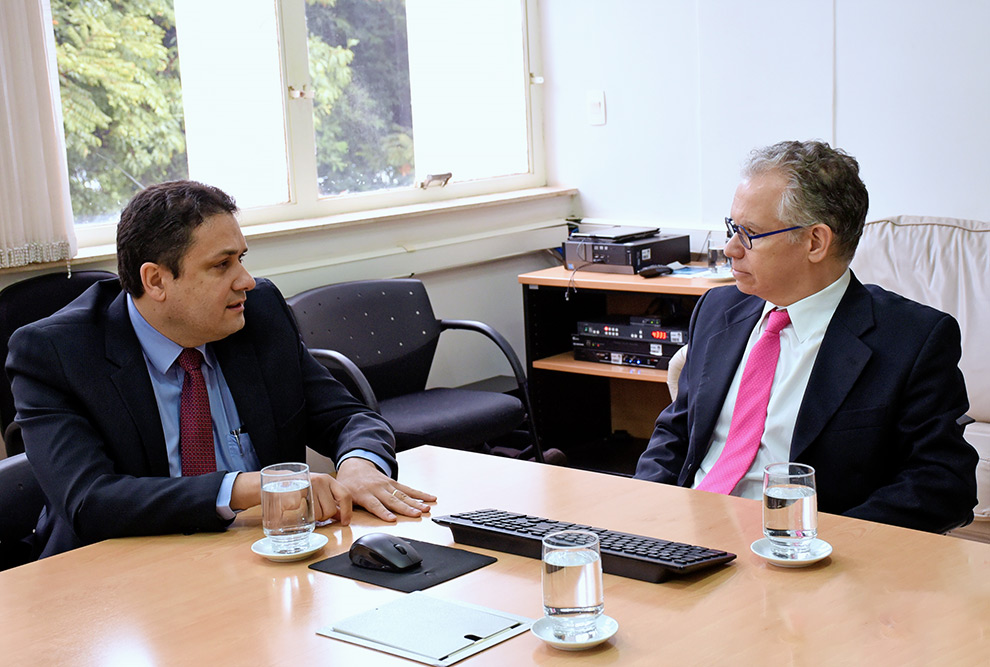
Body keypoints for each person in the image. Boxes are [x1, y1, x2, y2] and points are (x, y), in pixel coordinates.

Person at [7, 180, 436, 558]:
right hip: (119, 576)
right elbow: (89, 501)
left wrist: (359, 464)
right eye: (222, 265)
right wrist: (253, 488)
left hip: (262, 556)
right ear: (155, 281)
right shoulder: (55, 353)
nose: (246, 280)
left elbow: (348, 416)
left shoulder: (259, 313)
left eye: (242, 259)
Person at [634, 140, 978, 533]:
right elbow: (676, 431)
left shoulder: (912, 340)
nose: (730, 249)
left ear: (815, 242)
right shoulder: (717, 310)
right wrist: (647, 513)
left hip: (805, 553)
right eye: (732, 228)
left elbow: (943, 482)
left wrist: (822, 544)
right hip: (686, 531)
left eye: (749, 234)